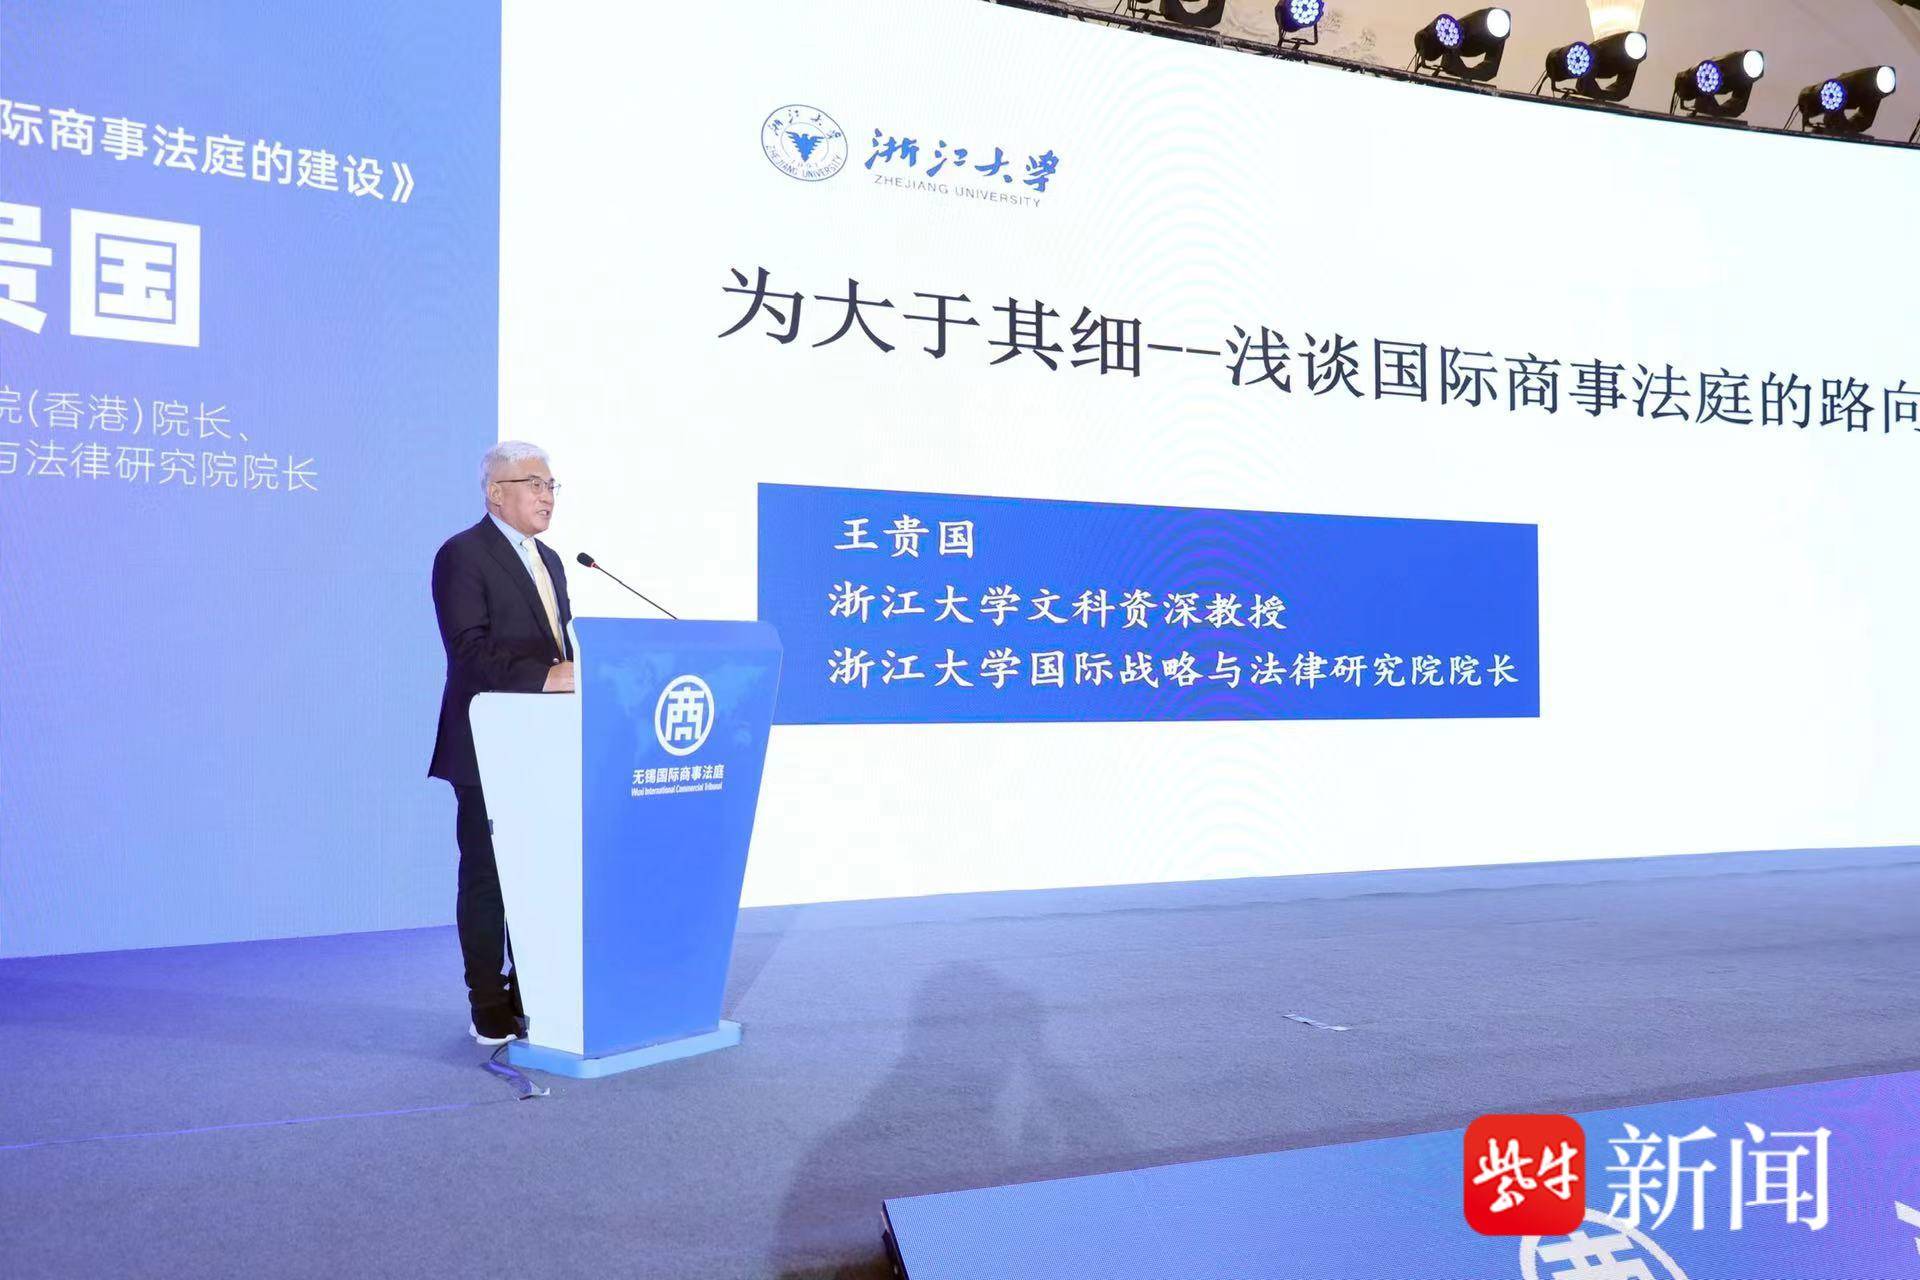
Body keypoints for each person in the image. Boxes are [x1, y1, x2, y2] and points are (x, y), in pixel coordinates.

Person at [428, 441, 575, 1044]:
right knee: (488, 876)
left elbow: (561, 646)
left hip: (545, 744)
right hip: (487, 745)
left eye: (551, 485)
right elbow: (468, 650)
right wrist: (547, 677)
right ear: (496, 492)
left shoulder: (554, 561)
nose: (547, 496)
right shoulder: (463, 554)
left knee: (539, 876)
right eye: (534, 484)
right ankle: (487, 1000)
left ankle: (528, 990)